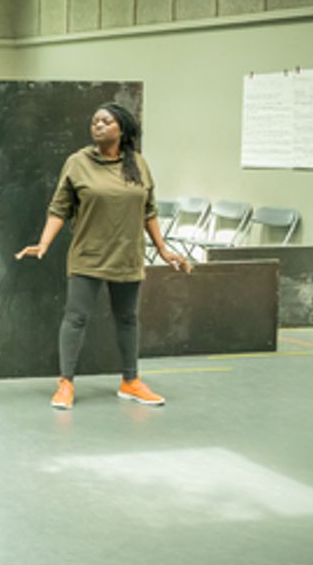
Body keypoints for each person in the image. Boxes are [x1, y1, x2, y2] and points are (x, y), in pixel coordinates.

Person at [16, 102, 191, 410]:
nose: (97, 125)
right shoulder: (77, 162)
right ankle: (66, 383)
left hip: (127, 256)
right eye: (94, 121)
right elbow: (59, 208)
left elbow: (148, 210)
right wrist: (44, 243)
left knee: (128, 320)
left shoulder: (138, 163)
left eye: (105, 121)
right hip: (88, 255)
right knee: (76, 317)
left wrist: (163, 249)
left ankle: (130, 381)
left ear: (121, 129)